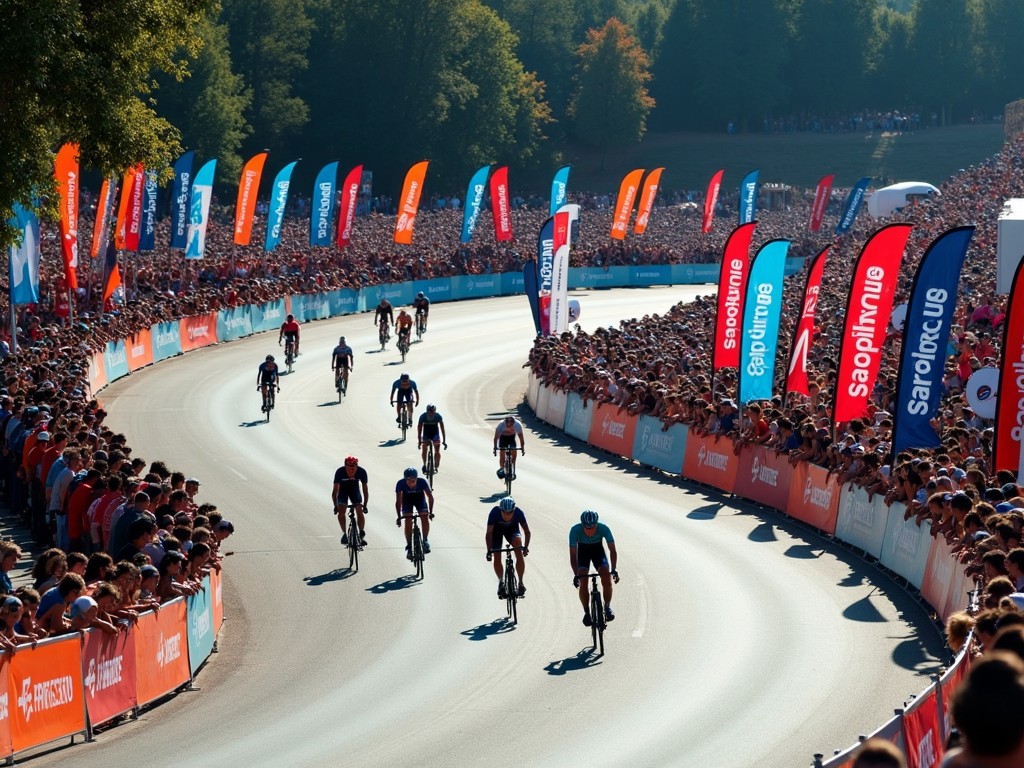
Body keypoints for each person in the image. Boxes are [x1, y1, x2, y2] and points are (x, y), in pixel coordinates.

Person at [568, 510, 618, 626]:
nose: (590, 530)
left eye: (592, 527)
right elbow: (573, 555)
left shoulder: (604, 528)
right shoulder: (575, 530)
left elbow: (613, 551)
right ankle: (586, 612)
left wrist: (614, 569)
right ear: (582, 525)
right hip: (583, 552)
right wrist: (576, 575)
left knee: (606, 578)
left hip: (598, 551)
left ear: (596, 524)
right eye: (587, 528)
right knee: (583, 581)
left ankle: (607, 607)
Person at [486, 497, 531, 598]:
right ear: (500, 510)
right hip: (497, 533)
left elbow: (527, 532)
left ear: (513, 510)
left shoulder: (518, 513)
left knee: (519, 551)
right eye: (505, 513)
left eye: (510, 513)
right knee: (496, 556)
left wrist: (526, 547)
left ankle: (520, 583)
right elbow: (489, 533)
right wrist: (489, 551)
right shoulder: (494, 513)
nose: (507, 515)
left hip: (512, 531)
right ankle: (501, 581)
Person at [395, 467, 434, 557]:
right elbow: (398, 501)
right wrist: (399, 516)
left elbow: (430, 497)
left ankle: (425, 540)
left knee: (424, 517)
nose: (411, 482)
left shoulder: (422, 482)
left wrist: (431, 512)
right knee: (408, 520)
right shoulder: (400, 484)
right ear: (405, 479)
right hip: (407, 500)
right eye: (408, 480)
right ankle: (409, 545)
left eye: (413, 480)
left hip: (419, 498)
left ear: (417, 478)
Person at [333, 456, 369, 546]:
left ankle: (361, 533)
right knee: (341, 511)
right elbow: (335, 491)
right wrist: (335, 505)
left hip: (354, 489)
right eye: (349, 469)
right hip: (343, 490)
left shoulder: (362, 472)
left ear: (357, 467)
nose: (351, 471)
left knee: (359, 509)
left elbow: (365, 490)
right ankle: (344, 534)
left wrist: (365, 504)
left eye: (353, 469)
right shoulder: (340, 472)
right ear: (345, 467)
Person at [493, 415, 525, 479]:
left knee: (514, 451)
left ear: (513, 423)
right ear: (505, 422)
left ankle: (513, 470)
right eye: (508, 426)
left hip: (511, 438)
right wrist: (495, 448)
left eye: (511, 426)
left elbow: (521, 438)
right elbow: (496, 438)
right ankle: (502, 469)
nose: (509, 427)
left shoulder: (518, 425)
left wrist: (522, 448)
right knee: (502, 454)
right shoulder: (501, 425)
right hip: (503, 437)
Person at [417, 404, 446, 473]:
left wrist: (444, 440)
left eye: (432, 412)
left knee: (437, 451)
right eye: (429, 412)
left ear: (435, 411)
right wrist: (419, 441)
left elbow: (442, 429)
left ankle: (436, 465)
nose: (430, 413)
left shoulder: (438, 416)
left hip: (435, 433)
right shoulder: (423, 417)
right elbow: (419, 429)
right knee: (424, 448)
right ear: (426, 411)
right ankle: (424, 464)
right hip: (426, 434)